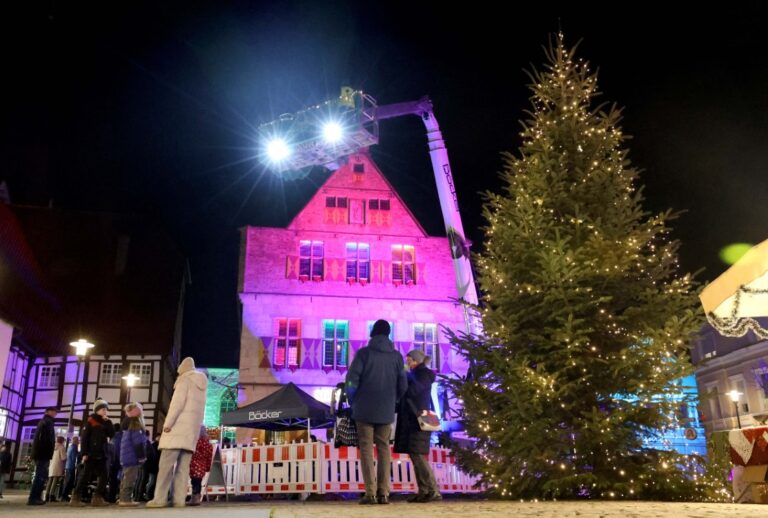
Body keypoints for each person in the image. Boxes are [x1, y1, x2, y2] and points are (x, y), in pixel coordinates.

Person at [345, 319, 407, 505]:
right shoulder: (397, 357)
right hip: (386, 409)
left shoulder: (364, 354)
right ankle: (383, 493)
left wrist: (352, 399)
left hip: (363, 408)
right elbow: (403, 384)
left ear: (372, 332)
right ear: (388, 334)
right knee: (384, 449)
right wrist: (393, 400)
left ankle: (370, 492)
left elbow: (351, 380)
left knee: (365, 449)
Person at [146, 357, 208, 508]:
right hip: (190, 434)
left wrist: (168, 424)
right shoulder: (202, 386)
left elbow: (177, 404)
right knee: (182, 469)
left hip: (177, 430)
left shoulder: (184, 380)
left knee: (165, 467)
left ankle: (159, 499)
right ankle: (178, 499)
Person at [394, 349, 442, 503]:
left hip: (419, 420)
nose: (407, 363)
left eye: (408, 360)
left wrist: (405, 376)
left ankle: (433, 490)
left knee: (419, 456)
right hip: (414, 420)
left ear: (415, 360)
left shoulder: (422, 375)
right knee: (416, 456)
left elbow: (411, 391)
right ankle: (424, 490)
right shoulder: (417, 374)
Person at [70, 398, 115, 507]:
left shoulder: (105, 422)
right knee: (85, 476)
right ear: (97, 410)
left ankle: (97, 498)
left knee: (104, 476)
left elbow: (111, 434)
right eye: (103, 409)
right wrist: (84, 453)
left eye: (106, 409)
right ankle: (75, 498)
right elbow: (84, 438)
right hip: (91, 454)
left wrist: (108, 422)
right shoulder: (90, 421)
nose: (105, 411)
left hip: (101, 453)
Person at [119, 402, 148, 506]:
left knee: (126, 478)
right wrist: (142, 457)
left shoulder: (126, 425)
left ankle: (123, 497)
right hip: (132, 457)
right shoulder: (135, 426)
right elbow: (138, 443)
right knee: (130, 478)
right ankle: (125, 500)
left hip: (126, 456)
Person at [28, 406, 57, 505]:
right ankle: (34, 498)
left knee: (41, 475)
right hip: (42, 453)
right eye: (53, 411)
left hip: (41, 453)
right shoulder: (47, 422)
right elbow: (45, 439)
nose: (55, 413)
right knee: (40, 476)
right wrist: (47, 451)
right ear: (48, 412)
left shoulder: (44, 422)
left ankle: (36, 497)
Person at [187, 425, 213, 506]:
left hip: (194, 464)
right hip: (202, 465)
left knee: (194, 481)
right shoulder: (208, 443)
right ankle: (196, 497)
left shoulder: (195, 441)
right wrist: (208, 467)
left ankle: (195, 498)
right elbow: (209, 456)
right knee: (198, 481)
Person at [45, 436, 66, 501]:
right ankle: (52, 495)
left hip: (51, 464)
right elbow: (63, 458)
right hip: (58, 465)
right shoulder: (61, 447)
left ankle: (47, 495)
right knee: (55, 480)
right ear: (62, 441)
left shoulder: (52, 447)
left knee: (50, 480)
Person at [60, 435, 80, 501]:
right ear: (75, 441)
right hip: (71, 466)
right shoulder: (74, 447)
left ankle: (64, 495)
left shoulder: (69, 447)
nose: (78, 442)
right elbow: (74, 457)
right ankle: (64, 496)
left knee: (67, 481)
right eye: (77, 440)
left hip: (68, 466)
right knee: (69, 482)